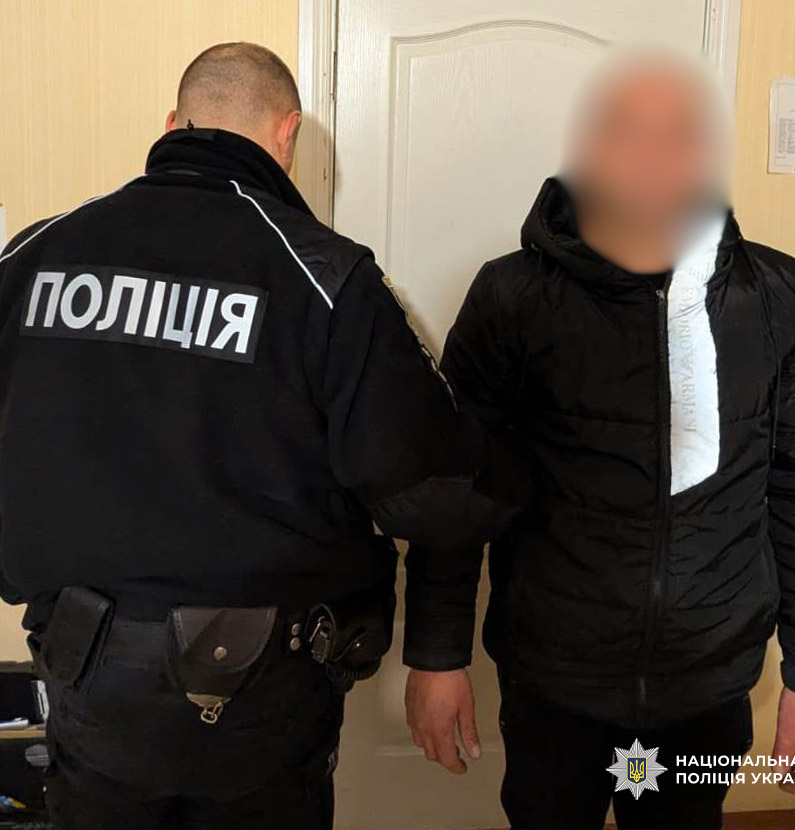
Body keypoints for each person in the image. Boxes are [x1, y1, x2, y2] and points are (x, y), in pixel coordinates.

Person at [0, 42, 507, 830]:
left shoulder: (33, 255)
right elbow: (433, 490)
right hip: (258, 690)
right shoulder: (324, 276)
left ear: (172, 123)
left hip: (86, 667)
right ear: (286, 133)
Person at [405, 47, 795, 830]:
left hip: (706, 689)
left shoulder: (777, 297)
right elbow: (456, 488)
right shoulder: (511, 296)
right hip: (554, 683)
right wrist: (436, 654)